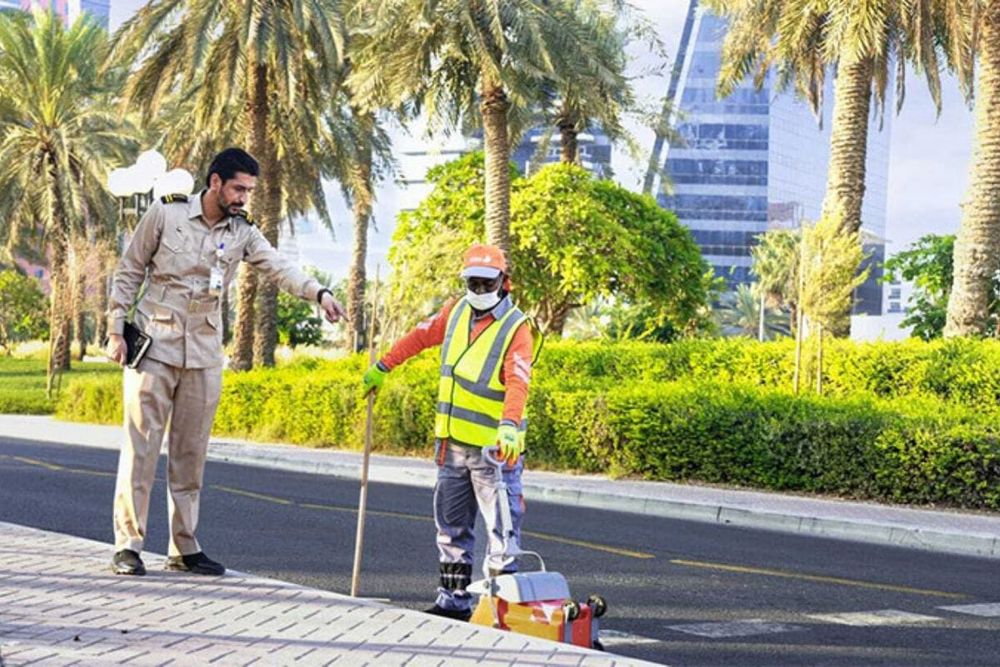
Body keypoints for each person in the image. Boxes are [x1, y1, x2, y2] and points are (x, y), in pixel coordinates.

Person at [105, 148, 346, 576]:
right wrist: (114, 330)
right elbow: (129, 271)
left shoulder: (243, 233)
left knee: (190, 454)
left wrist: (319, 293)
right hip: (154, 347)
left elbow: (279, 266)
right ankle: (129, 544)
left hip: (203, 353)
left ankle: (184, 546)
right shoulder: (166, 214)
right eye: (238, 188)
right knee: (141, 450)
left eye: (250, 191)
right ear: (215, 182)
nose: (244, 198)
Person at [362, 243, 535, 621]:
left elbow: (519, 381)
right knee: (451, 529)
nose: (478, 289)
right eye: (472, 282)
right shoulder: (455, 312)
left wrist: (509, 426)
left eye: (486, 283)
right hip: (452, 446)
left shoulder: (516, 328)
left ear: (504, 283)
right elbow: (418, 337)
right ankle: (453, 603)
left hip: (494, 451)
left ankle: (500, 611)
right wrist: (383, 366)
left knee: (501, 535)